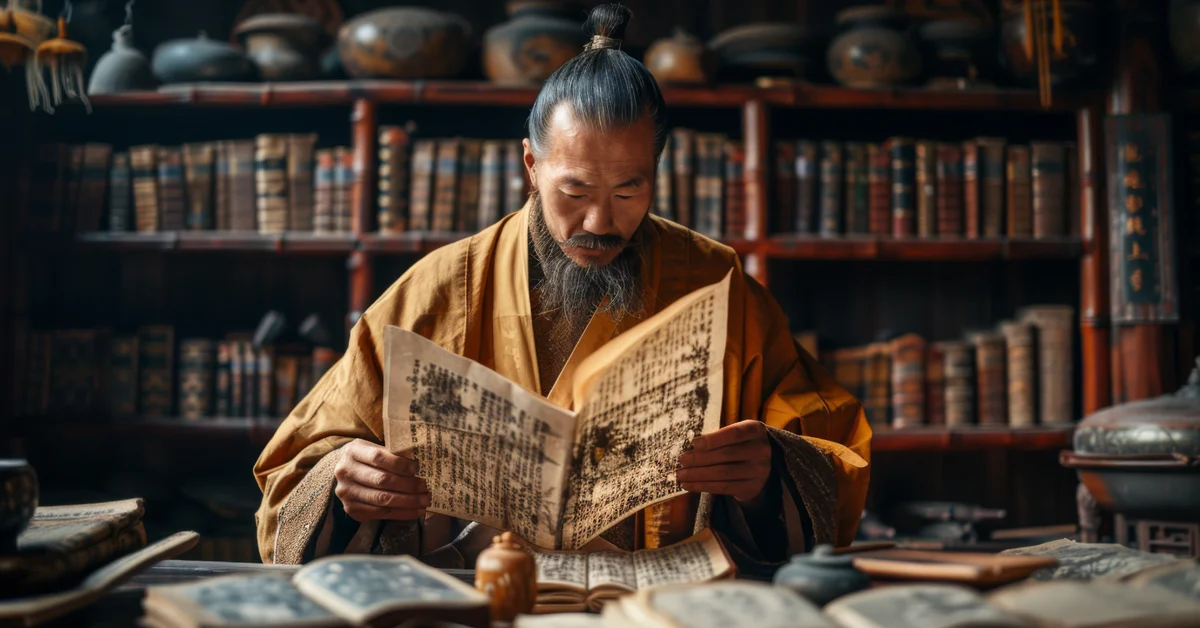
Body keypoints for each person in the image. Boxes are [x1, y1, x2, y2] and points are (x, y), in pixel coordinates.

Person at [254, 4, 870, 569]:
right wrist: (345, 476)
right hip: (484, 598)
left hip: (658, 603)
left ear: (655, 173)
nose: (601, 224)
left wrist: (769, 471)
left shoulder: (715, 282)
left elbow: (826, 445)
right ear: (530, 164)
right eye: (574, 192)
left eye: (629, 191)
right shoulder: (438, 290)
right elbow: (300, 463)